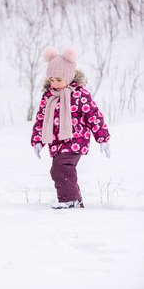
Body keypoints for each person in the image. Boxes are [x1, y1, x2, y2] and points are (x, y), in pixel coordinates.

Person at [31, 47, 111, 209]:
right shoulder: (48, 95)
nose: (54, 83)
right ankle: (75, 202)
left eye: (58, 80)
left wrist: (103, 139)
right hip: (57, 143)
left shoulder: (80, 95)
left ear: (69, 77)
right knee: (62, 170)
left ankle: (69, 201)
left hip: (76, 141)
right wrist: (37, 140)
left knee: (60, 169)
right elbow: (41, 118)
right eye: (51, 79)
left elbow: (94, 116)